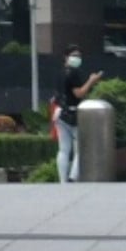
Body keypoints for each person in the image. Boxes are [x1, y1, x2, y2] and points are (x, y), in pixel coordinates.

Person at [51, 49, 101, 182]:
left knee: (63, 149)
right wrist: (91, 81)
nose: (77, 58)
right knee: (81, 148)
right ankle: (73, 178)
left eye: (79, 55)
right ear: (66, 56)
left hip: (59, 112)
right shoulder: (74, 73)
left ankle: (63, 181)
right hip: (73, 114)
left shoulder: (60, 73)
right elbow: (79, 93)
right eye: (74, 55)